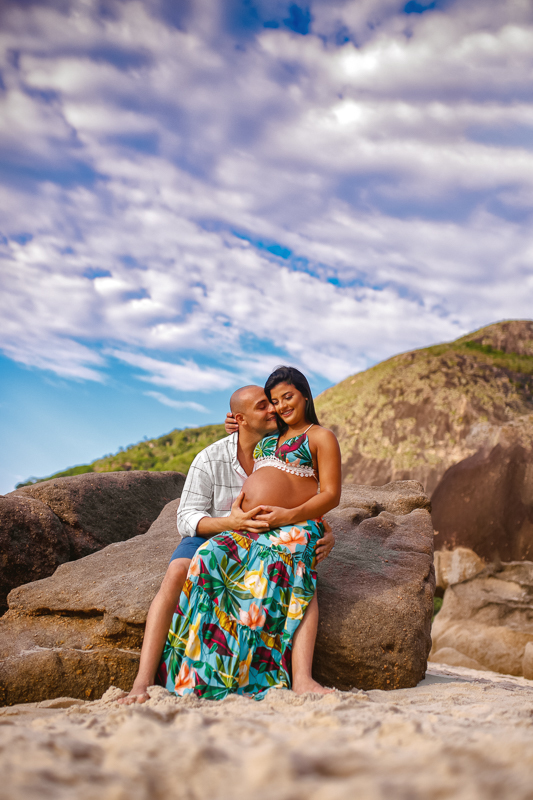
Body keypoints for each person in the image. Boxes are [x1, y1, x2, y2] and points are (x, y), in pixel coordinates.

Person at [118, 383, 336, 704]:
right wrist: (231, 523)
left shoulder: (280, 444)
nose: (273, 409)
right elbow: (187, 518)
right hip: (215, 531)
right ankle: (143, 681)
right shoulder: (210, 458)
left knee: (296, 572)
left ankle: (292, 676)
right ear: (240, 419)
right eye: (263, 406)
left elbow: (307, 489)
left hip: (263, 534)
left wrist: (324, 530)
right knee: (179, 572)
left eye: (273, 403)